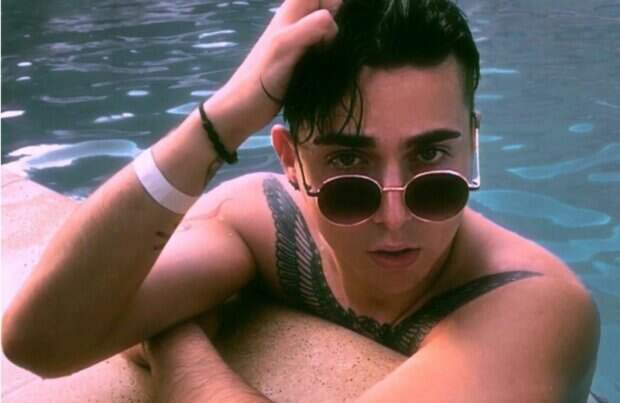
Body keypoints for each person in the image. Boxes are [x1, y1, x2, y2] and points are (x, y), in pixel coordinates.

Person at [2, 0, 601, 402]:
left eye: (430, 160)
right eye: (348, 167)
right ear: (290, 161)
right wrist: (223, 118)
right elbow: (40, 341)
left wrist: (172, 340)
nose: (395, 217)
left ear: (472, 145)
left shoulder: (537, 305)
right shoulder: (269, 223)